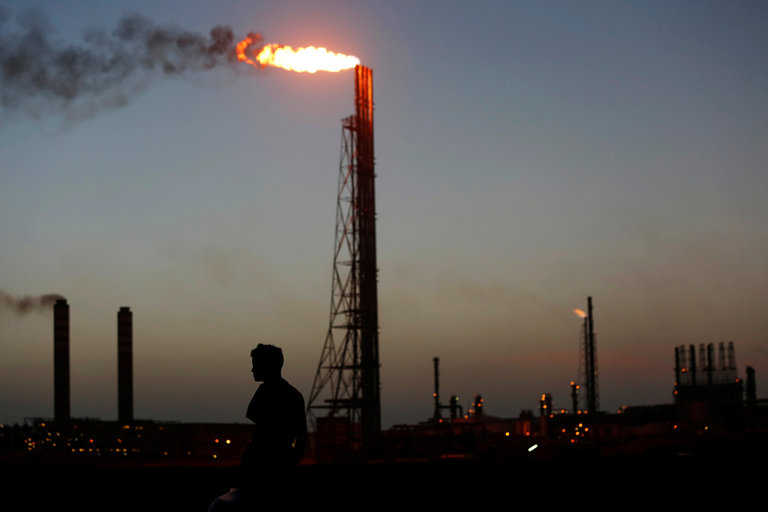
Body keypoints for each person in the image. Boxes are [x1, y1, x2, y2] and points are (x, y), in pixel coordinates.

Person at [208, 344, 307, 510]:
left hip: (263, 467)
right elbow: (301, 436)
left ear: (268, 366)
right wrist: (291, 463)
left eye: (256, 364)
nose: (252, 369)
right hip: (278, 465)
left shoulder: (267, 393)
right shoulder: (293, 395)